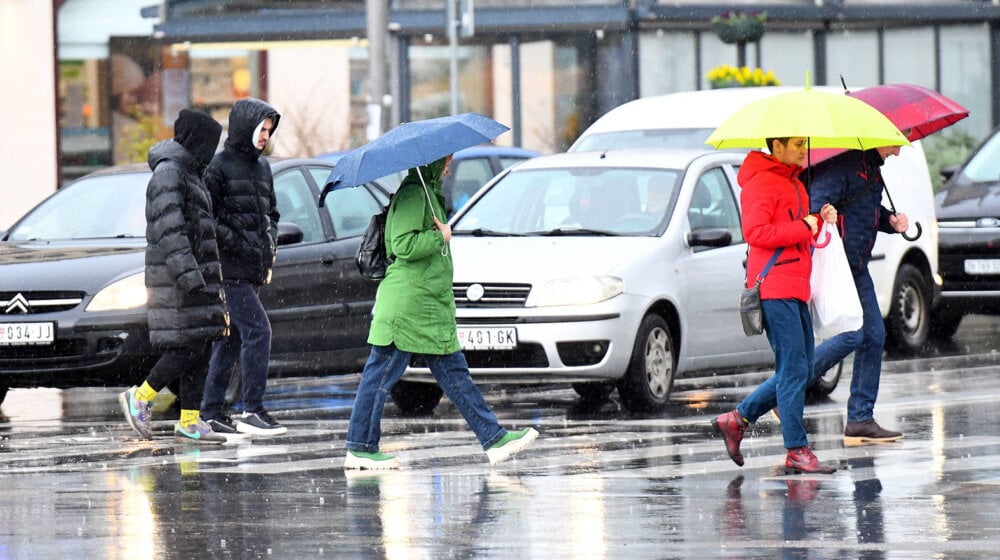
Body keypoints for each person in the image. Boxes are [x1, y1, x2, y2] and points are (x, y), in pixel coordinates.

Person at [344, 155, 538, 470]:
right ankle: (361, 447)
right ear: (433, 161)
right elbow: (402, 245)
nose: (450, 164)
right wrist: (441, 236)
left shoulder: (428, 191)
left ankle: (494, 438)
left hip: (426, 306)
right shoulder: (414, 193)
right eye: (446, 159)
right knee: (379, 377)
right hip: (408, 308)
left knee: (454, 376)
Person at [712, 137, 839, 474]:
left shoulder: (795, 182)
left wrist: (818, 218)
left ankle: (737, 419)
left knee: (802, 367)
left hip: (797, 286)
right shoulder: (761, 183)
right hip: (775, 286)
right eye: (796, 144)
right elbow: (756, 233)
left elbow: (796, 232)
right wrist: (803, 226)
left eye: (804, 143)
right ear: (777, 145)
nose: (803, 149)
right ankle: (796, 448)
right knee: (795, 368)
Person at [119, 109, 229, 445]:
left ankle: (190, 421)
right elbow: (170, 230)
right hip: (181, 278)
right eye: (210, 142)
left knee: (200, 342)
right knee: (187, 347)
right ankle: (141, 396)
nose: (213, 150)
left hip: (198, 274)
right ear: (197, 141)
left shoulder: (190, 172)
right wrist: (189, 274)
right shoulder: (170, 173)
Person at [808, 145, 908, 446]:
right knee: (854, 335)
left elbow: (865, 213)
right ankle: (786, 388)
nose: (899, 151)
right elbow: (815, 206)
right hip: (838, 266)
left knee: (874, 335)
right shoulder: (843, 166)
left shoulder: (872, 169)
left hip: (857, 266)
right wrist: (826, 213)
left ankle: (860, 419)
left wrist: (889, 222)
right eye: (895, 143)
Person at [199, 98, 287, 436]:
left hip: (250, 268)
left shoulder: (262, 168)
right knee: (258, 331)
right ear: (244, 128)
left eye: (268, 130)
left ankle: (211, 411)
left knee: (232, 339)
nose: (265, 135)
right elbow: (206, 217)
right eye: (260, 129)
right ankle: (253, 410)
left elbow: (272, 214)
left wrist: (269, 240)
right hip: (228, 269)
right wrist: (238, 242)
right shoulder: (218, 166)